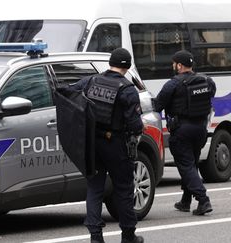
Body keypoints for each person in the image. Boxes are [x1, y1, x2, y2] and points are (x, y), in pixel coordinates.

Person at [70, 48, 144, 243]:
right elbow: (135, 125)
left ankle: (96, 237)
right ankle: (128, 235)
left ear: (110, 63)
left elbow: (69, 94)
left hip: (93, 144)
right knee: (123, 189)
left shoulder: (91, 81)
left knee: (95, 188)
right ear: (127, 66)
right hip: (116, 145)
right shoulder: (127, 89)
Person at [153, 50, 216, 216]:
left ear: (179, 65)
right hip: (201, 129)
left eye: (174, 63)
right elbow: (211, 95)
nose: (173, 66)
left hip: (182, 131)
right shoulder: (206, 81)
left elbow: (157, 106)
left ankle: (203, 200)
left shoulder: (172, 84)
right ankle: (186, 201)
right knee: (192, 164)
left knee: (186, 166)